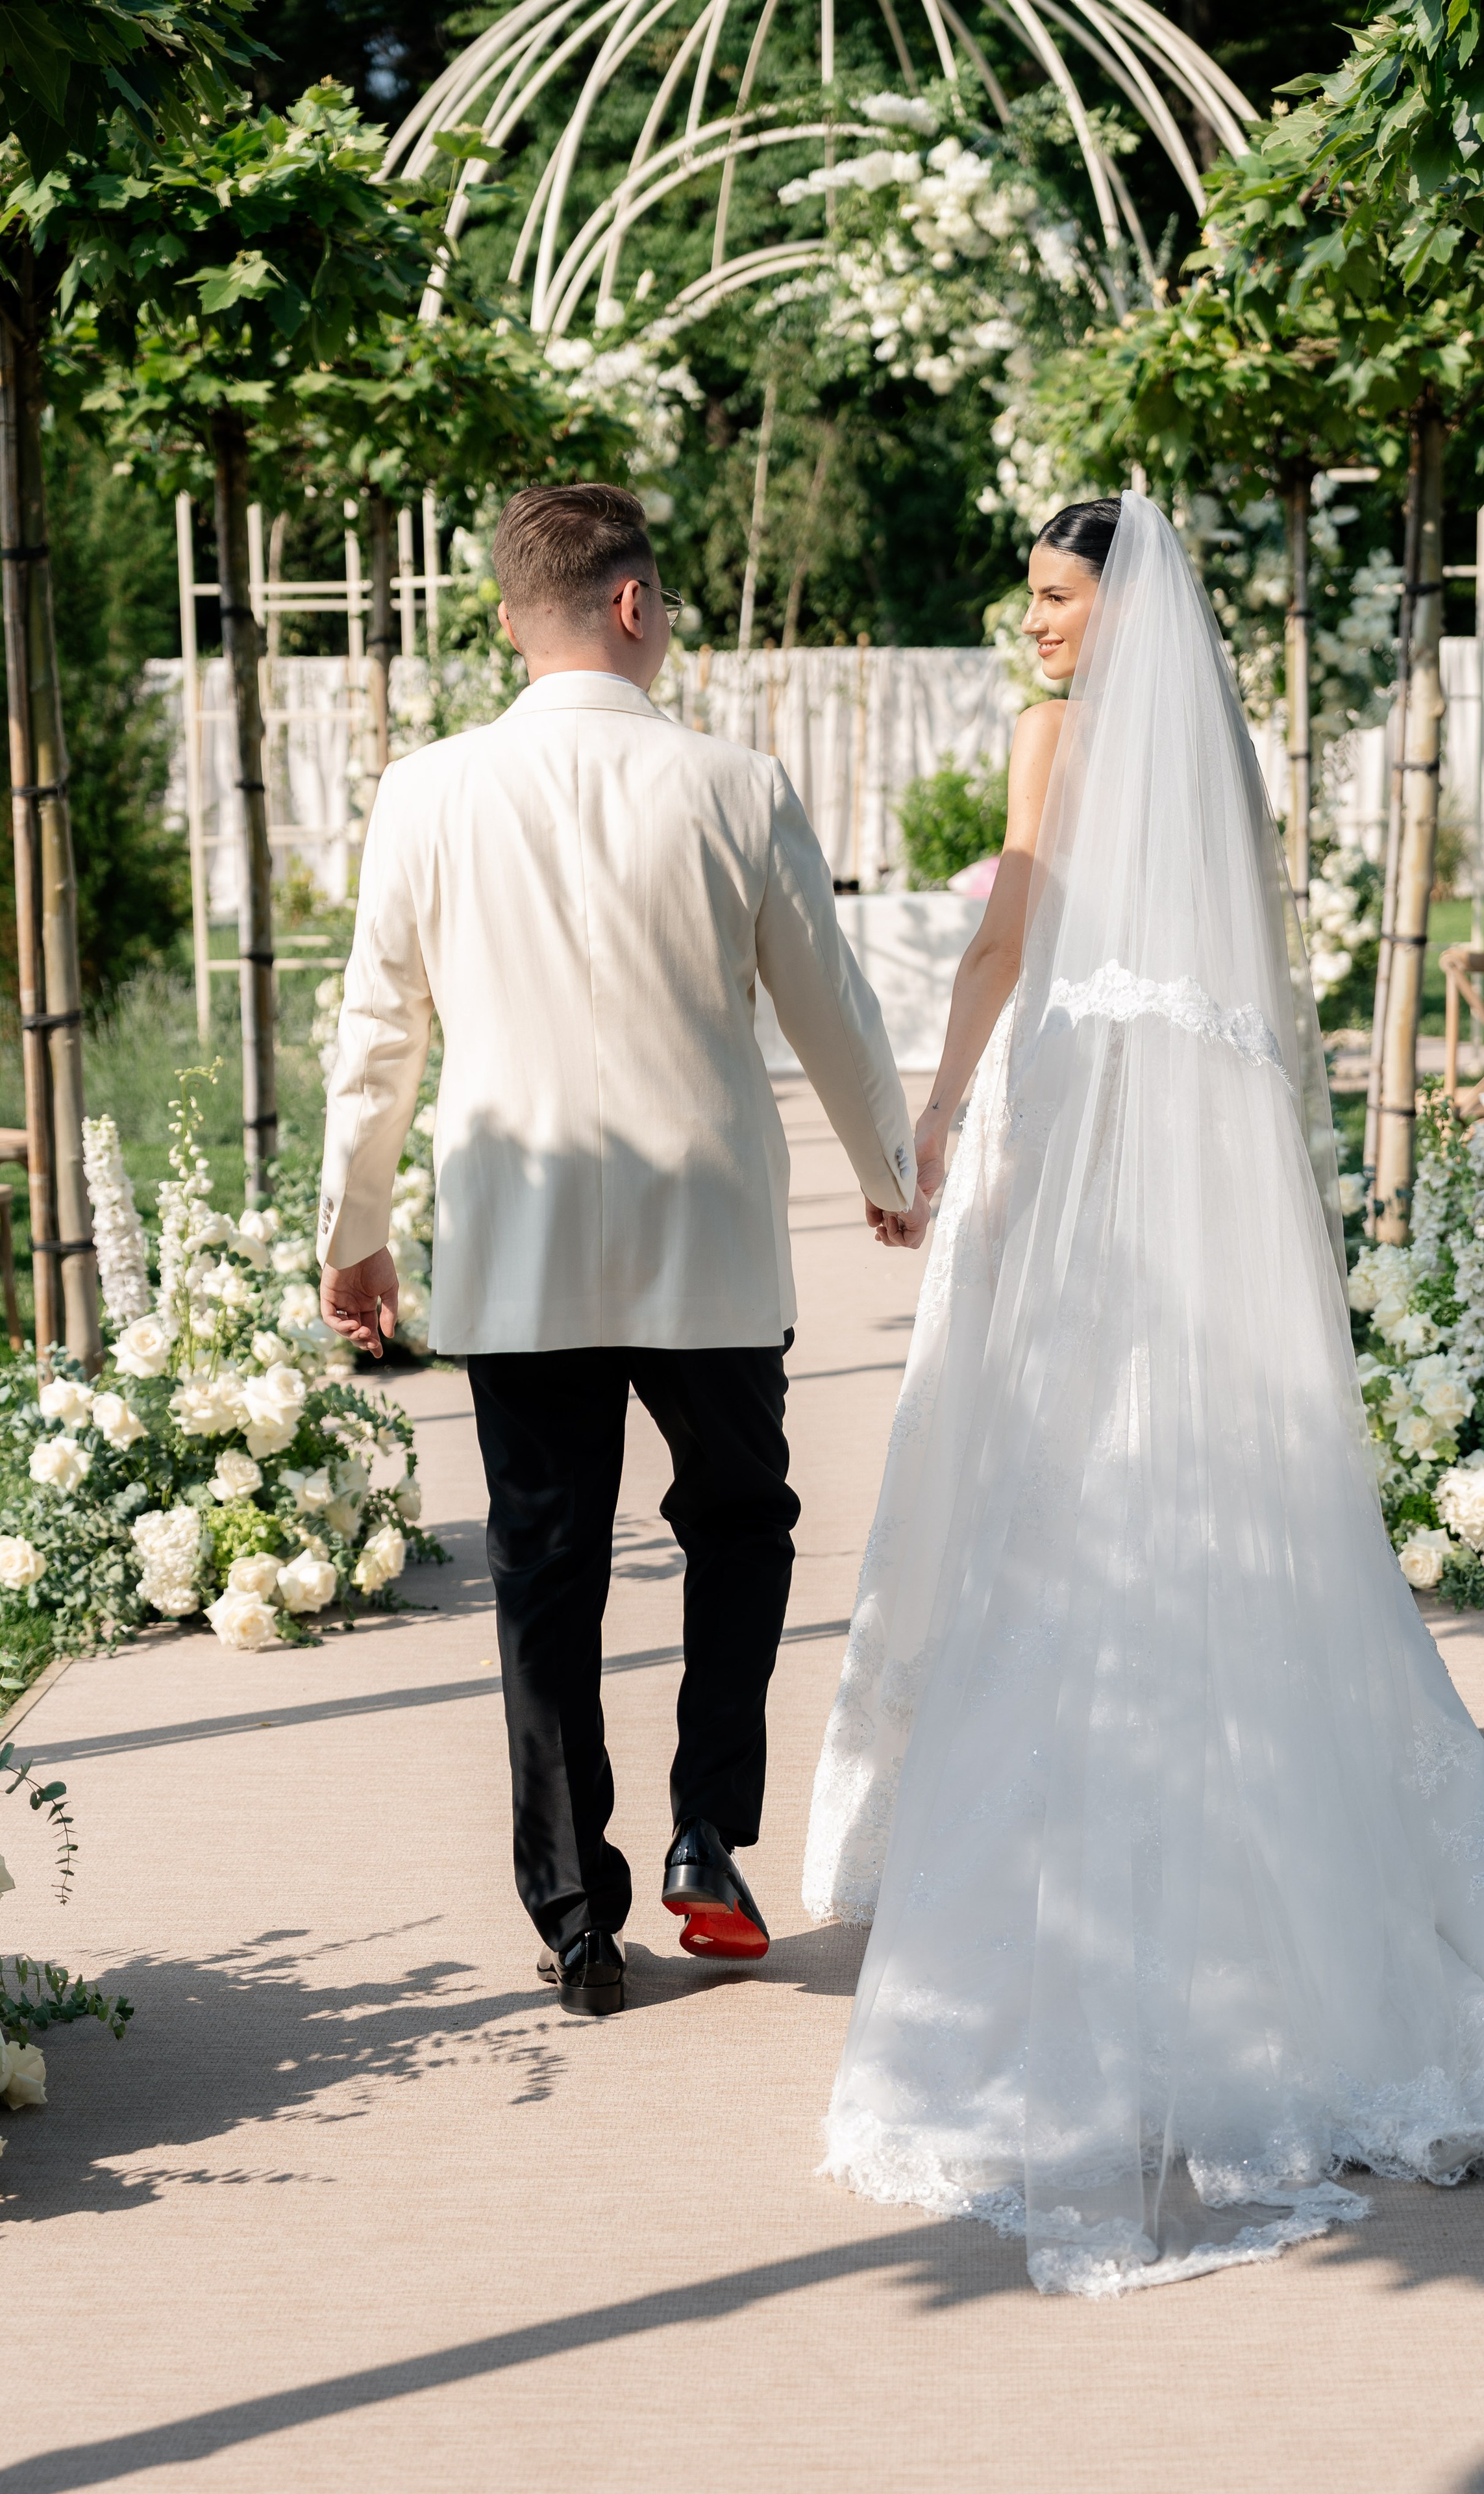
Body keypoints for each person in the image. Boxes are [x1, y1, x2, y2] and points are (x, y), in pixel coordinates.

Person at [802, 493, 1484, 2297]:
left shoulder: (1057, 737)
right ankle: (1291, 1929)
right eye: (1033, 594)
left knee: (1056, 1493)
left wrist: (928, 1112)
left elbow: (1007, 944)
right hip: (1197, 1171)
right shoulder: (1219, 757)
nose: (1034, 620)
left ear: (1116, 609)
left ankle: (1070, 1930)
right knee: (1214, 1485)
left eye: (1057, 593)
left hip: (1076, 1157)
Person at [319, 482, 928, 2017]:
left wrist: (356, 1232)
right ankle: (706, 1833)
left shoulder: (425, 791)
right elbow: (830, 1007)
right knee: (740, 1527)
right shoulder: (734, 782)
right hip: (708, 1244)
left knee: (545, 1573)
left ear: (511, 613)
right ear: (636, 605)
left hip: (518, 1256)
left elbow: (377, 1030)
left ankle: (576, 1919)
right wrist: (889, 1169)